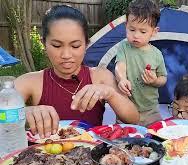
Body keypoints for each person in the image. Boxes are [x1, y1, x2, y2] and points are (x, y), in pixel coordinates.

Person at [14, 5, 139, 139]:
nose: (66, 54)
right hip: (44, 157)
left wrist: (110, 94)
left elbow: (133, 119)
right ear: (44, 44)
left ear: (86, 45)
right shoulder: (30, 82)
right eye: (56, 45)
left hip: (91, 155)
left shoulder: (100, 76)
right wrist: (23, 113)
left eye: (75, 46)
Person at [115, 0, 167, 126]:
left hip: (151, 110)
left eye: (143, 32)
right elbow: (120, 66)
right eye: (132, 29)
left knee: (155, 138)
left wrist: (154, 81)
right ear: (126, 25)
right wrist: (121, 79)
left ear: (154, 31)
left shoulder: (156, 54)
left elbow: (163, 78)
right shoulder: (124, 47)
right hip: (126, 108)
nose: (136, 35)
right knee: (123, 138)